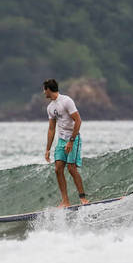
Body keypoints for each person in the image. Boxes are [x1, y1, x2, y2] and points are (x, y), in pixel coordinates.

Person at [43, 79, 90, 207]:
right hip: (61, 140)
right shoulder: (50, 107)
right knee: (58, 169)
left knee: (71, 168)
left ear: (48, 89)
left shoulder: (66, 101)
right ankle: (65, 201)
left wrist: (71, 141)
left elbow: (78, 121)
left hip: (73, 138)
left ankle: (83, 198)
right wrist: (48, 149)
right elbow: (51, 129)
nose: (43, 92)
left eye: (44, 89)